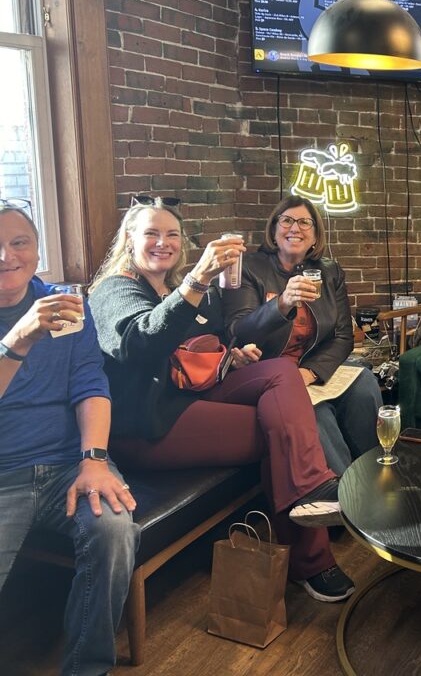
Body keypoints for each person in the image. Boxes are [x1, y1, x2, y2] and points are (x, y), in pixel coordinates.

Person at [89, 196, 355, 603]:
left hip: (190, 396)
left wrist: (230, 355)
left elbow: (198, 348)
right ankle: (313, 560)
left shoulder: (175, 287)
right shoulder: (116, 289)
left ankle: (311, 488)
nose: (163, 242)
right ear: (129, 238)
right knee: (279, 430)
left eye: (172, 234)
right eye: (152, 234)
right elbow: (140, 342)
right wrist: (196, 282)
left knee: (281, 373)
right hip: (146, 424)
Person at [0, 203, 139, 676]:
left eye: (19, 243)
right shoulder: (31, 321)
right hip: (4, 473)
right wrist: (17, 341)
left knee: (114, 529)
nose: (6, 255)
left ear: (37, 250)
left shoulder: (65, 303)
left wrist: (94, 461)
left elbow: (89, 382)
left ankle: (87, 668)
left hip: (67, 464)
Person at [221, 195, 381, 478]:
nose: (295, 228)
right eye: (287, 220)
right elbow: (239, 328)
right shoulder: (249, 267)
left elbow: (343, 336)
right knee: (316, 413)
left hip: (309, 371)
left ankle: (373, 472)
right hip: (267, 372)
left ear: (315, 236)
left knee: (365, 381)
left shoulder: (329, 272)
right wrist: (281, 304)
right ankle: (346, 495)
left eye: (305, 222)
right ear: (274, 229)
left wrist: (310, 372)